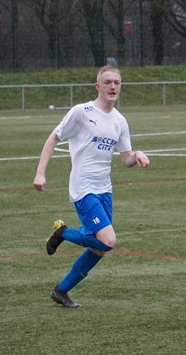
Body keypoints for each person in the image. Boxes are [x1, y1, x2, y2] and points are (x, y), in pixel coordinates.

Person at [33, 65, 150, 308]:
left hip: (104, 189)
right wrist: (40, 173)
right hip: (83, 187)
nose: (113, 86)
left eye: (117, 82)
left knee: (99, 248)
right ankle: (63, 232)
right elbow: (54, 137)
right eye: (107, 82)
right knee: (108, 240)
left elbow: (125, 158)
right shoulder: (81, 112)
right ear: (98, 86)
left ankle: (61, 290)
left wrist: (136, 155)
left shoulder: (120, 121)